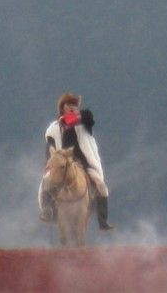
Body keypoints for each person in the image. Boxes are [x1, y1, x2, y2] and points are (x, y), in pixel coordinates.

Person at [38, 92, 114, 230]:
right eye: (69, 105)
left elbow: (87, 116)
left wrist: (70, 119)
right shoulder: (53, 129)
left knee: (100, 185)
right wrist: (49, 165)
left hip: (85, 165)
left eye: (75, 105)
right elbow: (49, 148)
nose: (73, 107)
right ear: (62, 108)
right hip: (61, 166)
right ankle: (47, 211)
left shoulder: (84, 122)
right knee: (46, 182)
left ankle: (102, 220)